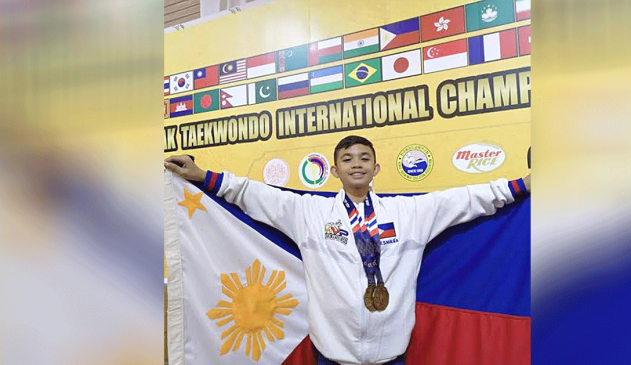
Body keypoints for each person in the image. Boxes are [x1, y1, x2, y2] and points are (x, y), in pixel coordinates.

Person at [164, 135, 530, 365]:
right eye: (348, 159)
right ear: (336, 170)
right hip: (332, 355)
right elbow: (255, 195)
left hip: (391, 354)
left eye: (364, 158)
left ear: (376, 168)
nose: (357, 163)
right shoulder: (308, 212)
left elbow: (469, 199)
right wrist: (204, 177)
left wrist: (524, 184)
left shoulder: (412, 213)